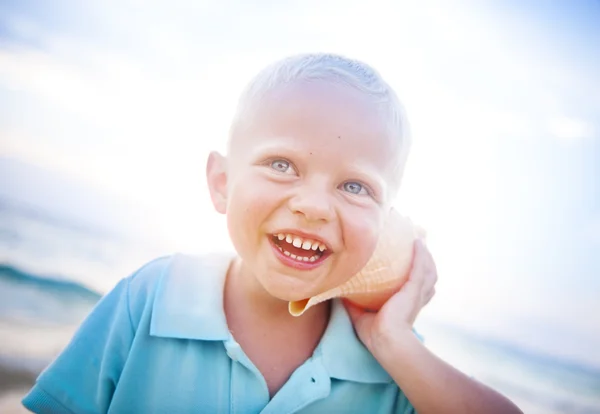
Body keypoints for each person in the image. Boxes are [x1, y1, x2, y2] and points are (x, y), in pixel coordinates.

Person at [22, 53, 522, 413]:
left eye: (355, 185)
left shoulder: (395, 370)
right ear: (222, 184)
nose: (312, 206)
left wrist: (393, 341)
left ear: (388, 220)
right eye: (281, 164)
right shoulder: (151, 299)